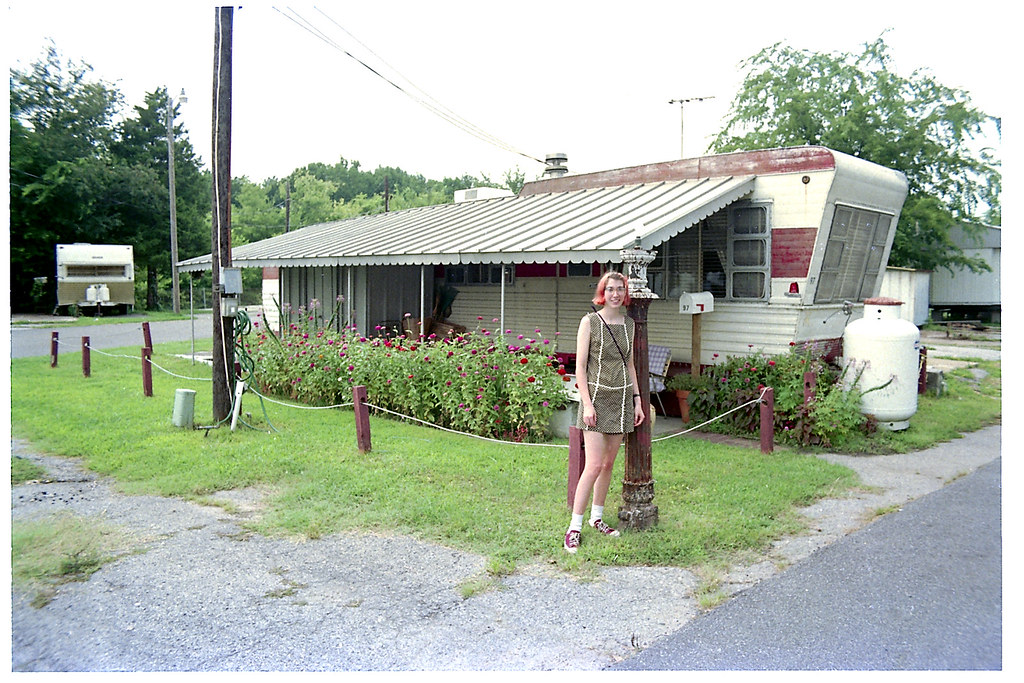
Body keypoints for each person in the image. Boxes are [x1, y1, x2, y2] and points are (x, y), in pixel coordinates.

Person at [564, 271, 645, 554]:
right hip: (596, 401)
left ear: (625, 293)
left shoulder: (629, 324)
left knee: (609, 464)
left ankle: (597, 518)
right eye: (610, 289)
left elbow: (630, 365)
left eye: (620, 289)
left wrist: (637, 400)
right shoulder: (590, 322)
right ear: (602, 292)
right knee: (594, 465)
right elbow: (580, 368)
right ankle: (574, 526)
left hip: (621, 398)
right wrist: (586, 403)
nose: (615, 294)